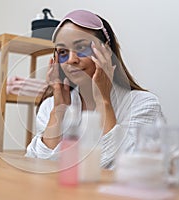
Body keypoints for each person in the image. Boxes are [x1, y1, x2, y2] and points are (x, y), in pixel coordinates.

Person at [25, 9, 164, 168]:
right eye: (63, 52)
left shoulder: (144, 105)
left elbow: (130, 169)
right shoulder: (50, 106)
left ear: (106, 51)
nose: (71, 60)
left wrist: (103, 101)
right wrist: (58, 110)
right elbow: (38, 166)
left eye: (82, 48)